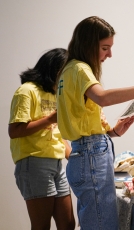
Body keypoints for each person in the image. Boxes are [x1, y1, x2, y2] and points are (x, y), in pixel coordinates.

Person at [56, 16, 134, 230]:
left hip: (83, 153)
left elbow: (80, 123)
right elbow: (103, 98)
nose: (109, 54)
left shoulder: (68, 70)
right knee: (102, 225)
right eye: (104, 48)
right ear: (89, 44)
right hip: (90, 154)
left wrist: (112, 132)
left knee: (96, 221)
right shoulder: (79, 68)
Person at [8, 48, 76, 230]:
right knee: (41, 226)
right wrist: (49, 119)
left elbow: (57, 134)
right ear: (55, 69)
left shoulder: (56, 94)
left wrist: (76, 158)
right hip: (34, 163)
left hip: (56, 163)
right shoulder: (26, 91)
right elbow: (14, 130)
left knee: (68, 224)